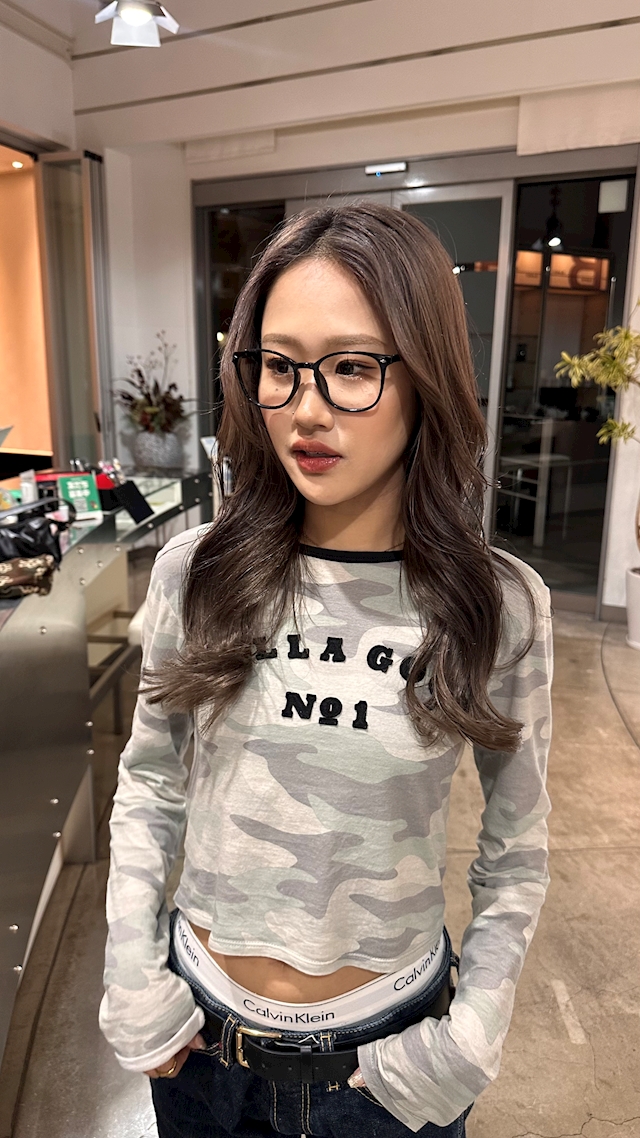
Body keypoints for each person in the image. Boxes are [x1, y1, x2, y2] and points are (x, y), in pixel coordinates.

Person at [99, 202, 553, 1138]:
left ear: (425, 376)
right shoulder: (198, 573)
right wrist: (132, 974)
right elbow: (149, 784)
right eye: (279, 366)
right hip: (199, 1053)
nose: (306, 409)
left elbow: (516, 851)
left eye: (351, 368)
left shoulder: (496, 603)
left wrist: (471, 1036)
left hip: (385, 1073)